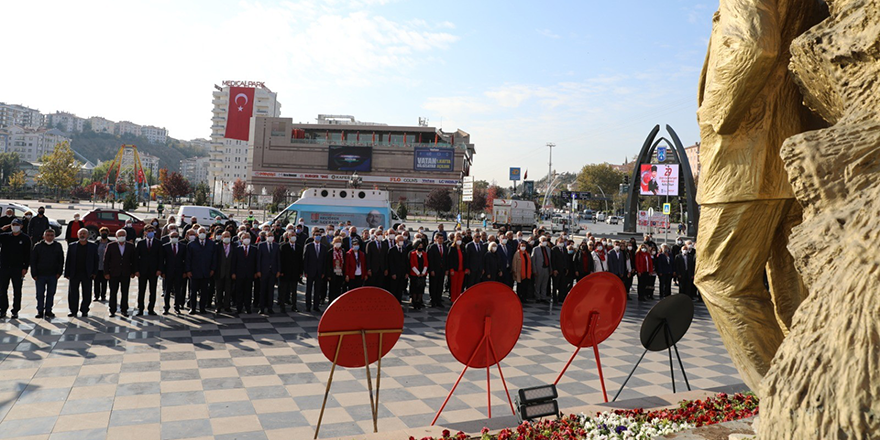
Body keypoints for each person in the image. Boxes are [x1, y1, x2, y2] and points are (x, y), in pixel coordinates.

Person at [0, 219, 31, 319]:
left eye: (17, 225)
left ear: (21, 226)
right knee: (2, 290)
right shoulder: (5, 236)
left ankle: (15, 310)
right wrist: (1, 229)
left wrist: (25, 267)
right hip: (4, 267)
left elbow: (28, 255)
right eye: (13, 224)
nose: (15, 226)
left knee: (17, 290)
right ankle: (3, 309)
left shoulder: (25, 238)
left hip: (17, 268)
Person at [64, 228, 99, 318]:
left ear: (87, 235)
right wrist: (66, 273)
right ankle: (73, 310)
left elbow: (96, 260)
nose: (82, 235)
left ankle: (84, 310)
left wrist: (95, 272)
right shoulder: (72, 246)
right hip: (74, 273)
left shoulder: (93, 246)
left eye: (84, 233)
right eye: (80, 234)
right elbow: (68, 260)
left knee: (87, 293)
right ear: (77, 235)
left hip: (87, 273)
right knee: (73, 293)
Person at [31, 228, 64, 319]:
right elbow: (33, 261)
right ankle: (40, 311)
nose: (49, 237)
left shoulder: (58, 246)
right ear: (44, 236)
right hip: (40, 275)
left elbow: (61, 260)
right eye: (48, 235)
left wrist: (59, 272)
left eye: (51, 235)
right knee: (40, 294)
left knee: (51, 293)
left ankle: (48, 310)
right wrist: (34, 274)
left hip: (53, 275)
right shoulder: (38, 246)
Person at [104, 229, 136, 317]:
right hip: (114, 273)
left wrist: (133, 272)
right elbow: (106, 260)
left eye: (123, 235)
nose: (122, 237)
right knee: (113, 292)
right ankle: (112, 310)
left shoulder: (130, 246)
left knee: (125, 292)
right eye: (120, 235)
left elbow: (133, 260)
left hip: (126, 273)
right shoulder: (111, 245)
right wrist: (106, 272)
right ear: (116, 237)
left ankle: (124, 309)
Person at [185, 227, 215, 314]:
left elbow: (214, 257)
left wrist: (212, 269)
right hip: (194, 272)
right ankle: (193, 308)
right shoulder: (191, 244)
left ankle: (202, 308)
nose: (202, 234)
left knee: (204, 291)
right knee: (193, 292)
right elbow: (188, 259)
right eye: (200, 232)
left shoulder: (211, 244)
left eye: (204, 232)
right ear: (197, 234)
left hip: (206, 272)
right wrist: (188, 270)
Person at [134, 225, 162, 316]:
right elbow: (136, 258)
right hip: (142, 270)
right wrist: (136, 270)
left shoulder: (158, 243)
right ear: (145, 232)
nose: (150, 232)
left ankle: (151, 309)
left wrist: (159, 269)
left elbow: (160, 258)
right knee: (141, 290)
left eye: (152, 231)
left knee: (152, 290)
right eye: (148, 231)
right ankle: (140, 309)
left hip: (153, 271)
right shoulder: (140, 243)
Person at [232, 232, 258, 314]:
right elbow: (234, 262)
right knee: (239, 291)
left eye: (248, 238)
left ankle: (248, 307)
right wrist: (233, 273)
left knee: (248, 291)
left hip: (250, 274)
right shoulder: (237, 249)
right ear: (241, 239)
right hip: (239, 274)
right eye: (244, 238)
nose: (246, 239)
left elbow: (256, 262)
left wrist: (256, 272)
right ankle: (239, 307)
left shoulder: (254, 249)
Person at [161, 231, 186, 315]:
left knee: (178, 290)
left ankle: (177, 307)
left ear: (178, 237)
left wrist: (184, 272)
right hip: (168, 272)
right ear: (169, 238)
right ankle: (166, 307)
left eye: (176, 236)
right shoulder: (165, 247)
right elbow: (162, 260)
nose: (174, 238)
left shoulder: (183, 247)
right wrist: (163, 272)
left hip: (179, 271)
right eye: (172, 236)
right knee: (167, 291)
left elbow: (185, 260)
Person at [303, 229, 328, 312]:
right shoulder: (309, 246)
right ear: (313, 236)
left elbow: (325, 261)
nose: (318, 236)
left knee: (317, 290)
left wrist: (323, 272)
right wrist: (305, 271)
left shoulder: (324, 247)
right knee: (309, 289)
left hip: (319, 272)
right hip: (310, 271)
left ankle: (316, 306)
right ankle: (308, 305)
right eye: (316, 235)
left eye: (319, 235)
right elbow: (305, 259)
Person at [256, 231, 281, 314]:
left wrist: (278, 271)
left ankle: (270, 307)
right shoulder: (261, 245)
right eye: (269, 236)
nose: (270, 237)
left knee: (271, 290)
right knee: (263, 290)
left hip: (273, 271)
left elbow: (278, 259)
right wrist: (258, 270)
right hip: (263, 271)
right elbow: (258, 259)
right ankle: (262, 308)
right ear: (266, 237)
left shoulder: (276, 246)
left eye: (271, 235)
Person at [279, 231, 303, 312]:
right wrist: (281, 271)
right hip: (285, 272)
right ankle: (282, 306)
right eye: (292, 236)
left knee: (294, 290)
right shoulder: (284, 246)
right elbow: (281, 260)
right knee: (283, 290)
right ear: (288, 237)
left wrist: (300, 272)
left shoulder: (299, 247)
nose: (294, 237)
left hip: (295, 272)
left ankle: (294, 306)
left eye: (294, 235)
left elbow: (300, 260)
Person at [213, 230, 236, 314]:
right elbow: (215, 260)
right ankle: (218, 306)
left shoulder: (234, 246)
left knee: (228, 290)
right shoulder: (217, 246)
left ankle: (227, 306)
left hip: (229, 273)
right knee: (218, 290)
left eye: (228, 236)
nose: (226, 238)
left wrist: (234, 272)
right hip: (219, 272)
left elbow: (235, 261)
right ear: (222, 238)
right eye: (225, 236)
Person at [386, 234, 409, 303]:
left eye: (402, 240)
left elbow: (406, 262)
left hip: (402, 273)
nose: (401, 241)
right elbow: (390, 262)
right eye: (400, 240)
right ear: (396, 241)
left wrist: (407, 272)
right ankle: (393, 301)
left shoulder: (404, 250)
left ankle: (399, 301)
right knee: (394, 288)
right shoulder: (392, 250)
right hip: (395, 273)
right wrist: (393, 273)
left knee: (400, 288)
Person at [426, 234, 447, 308]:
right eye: (440, 238)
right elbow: (430, 260)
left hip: (442, 269)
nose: (441, 240)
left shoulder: (444, 247)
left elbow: (445, 258)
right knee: (433, 285)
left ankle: (438, 300)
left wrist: (446, 269)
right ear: (436, 239)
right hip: (434, 269)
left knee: (440, 285)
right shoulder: (432, 247)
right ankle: (433, 300)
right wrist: (431, 269)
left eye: (442, 238)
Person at [324, 236, 346, 303]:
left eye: (339, 242)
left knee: (338, 288)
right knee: (332, 289)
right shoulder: (330, 252)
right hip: (333, 273)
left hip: (340, 272)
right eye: (336, 242)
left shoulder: (343, 251)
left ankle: (337, 302)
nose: (338, 243)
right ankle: (331, 302)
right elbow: (327, 264)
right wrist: (328, 275)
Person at [531, 236, 552, 303]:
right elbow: (533, 260)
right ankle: (537, 297)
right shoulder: (535, 249)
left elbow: (549, 260)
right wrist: (534, 270)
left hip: (546, 268)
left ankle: (543, 297)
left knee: (544, 284)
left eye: (545, 240)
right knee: (538, 283)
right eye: (543, 240)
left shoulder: (548, 249)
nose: (545, 242)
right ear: (540, 241)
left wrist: (550, 269)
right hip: (539, 269)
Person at [408, 240, 428, 310]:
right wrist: (417, 273)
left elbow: (426, 263)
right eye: (419, 246)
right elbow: (412, 264)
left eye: (421, 246)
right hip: (414, 274)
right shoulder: (412, 254)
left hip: (422, 274)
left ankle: (419, 302)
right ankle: (414, 302)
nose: (420, 248)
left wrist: (423, 272)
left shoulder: (424, 254)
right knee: (414, 288)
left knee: (420, 289)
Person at [550, 238, 571, 304]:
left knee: (562, 285)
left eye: (563, 241)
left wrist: (566, 268)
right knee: (555, 285)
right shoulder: (554, 249)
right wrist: (554, 269)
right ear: (557, 242)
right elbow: (553, 260)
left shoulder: (564, 249)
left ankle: (560, 298)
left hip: (563, 270)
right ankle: (554, 299)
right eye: (560, 241)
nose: (562, 243)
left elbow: (566, 259)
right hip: (557, 270)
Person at [446, 233, 466, 303]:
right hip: (454, 270)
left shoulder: (463, 248)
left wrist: (465, 268)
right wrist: (451, 269)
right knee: (454, 285)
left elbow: (465, 259)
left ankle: (458, 299)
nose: (459, 239)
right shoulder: (452, 248)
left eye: (460, 238)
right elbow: (450, 259)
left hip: (461, 270)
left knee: (460, 285)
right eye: (458, 238)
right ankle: (453, 299)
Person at [94, 227, 111, 302]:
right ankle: (96, 296)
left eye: (105, 232)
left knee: (104, 282)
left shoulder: (110, 243)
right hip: (97, 266)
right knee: (96, 282)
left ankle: (103, 296)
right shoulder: (97, 243)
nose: (103, 234)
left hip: (105, 266)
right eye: (102, 232)